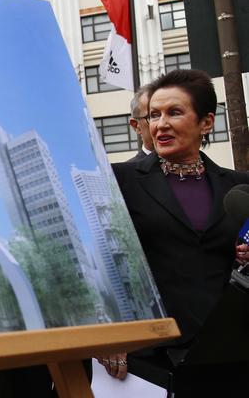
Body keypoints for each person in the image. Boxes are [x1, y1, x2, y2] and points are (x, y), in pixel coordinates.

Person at [101, 69, 249, 394]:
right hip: (149, 360)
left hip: (230, 354)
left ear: (206, 122)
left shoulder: (241, 187)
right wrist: (107, 332)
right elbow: (98, 260)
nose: (161, 124)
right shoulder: (118, 181)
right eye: (154, 115)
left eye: (175, 112)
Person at [127, 85, 154, 161]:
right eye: (154, 116)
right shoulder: (124, 172)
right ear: (136, 126)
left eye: (174, 113)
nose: (164, 123)